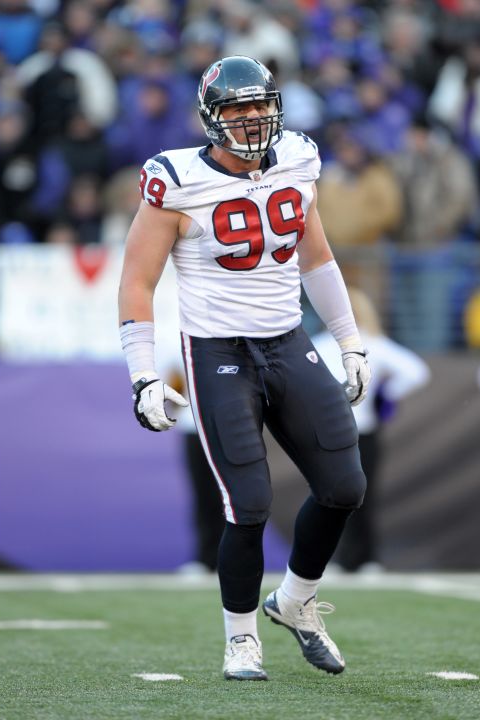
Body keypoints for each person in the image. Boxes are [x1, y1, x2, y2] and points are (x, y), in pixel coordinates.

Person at [117, 56, 371, 681]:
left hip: (286, 340)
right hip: (217, 351)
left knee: (344, 486)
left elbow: (317, 259)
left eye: (260, 107)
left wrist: (351, 341)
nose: (253, 120)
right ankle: (240, 639)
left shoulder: (298, 158)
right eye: (238, 109)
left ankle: (295, 602)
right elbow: (137, 279)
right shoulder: (175, 180)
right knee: (249, 503)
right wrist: (144, 375)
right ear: (211, 118)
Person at [312, 288, 430, 573]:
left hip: (336, 434)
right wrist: (386, 394)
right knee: (351, 498)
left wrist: (385, 394)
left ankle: (348, 559)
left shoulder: (323, 344)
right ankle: (359, 559)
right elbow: (416, 371)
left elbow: (416, 372)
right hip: (352, 433)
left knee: (334, 499)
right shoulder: (367, 342)